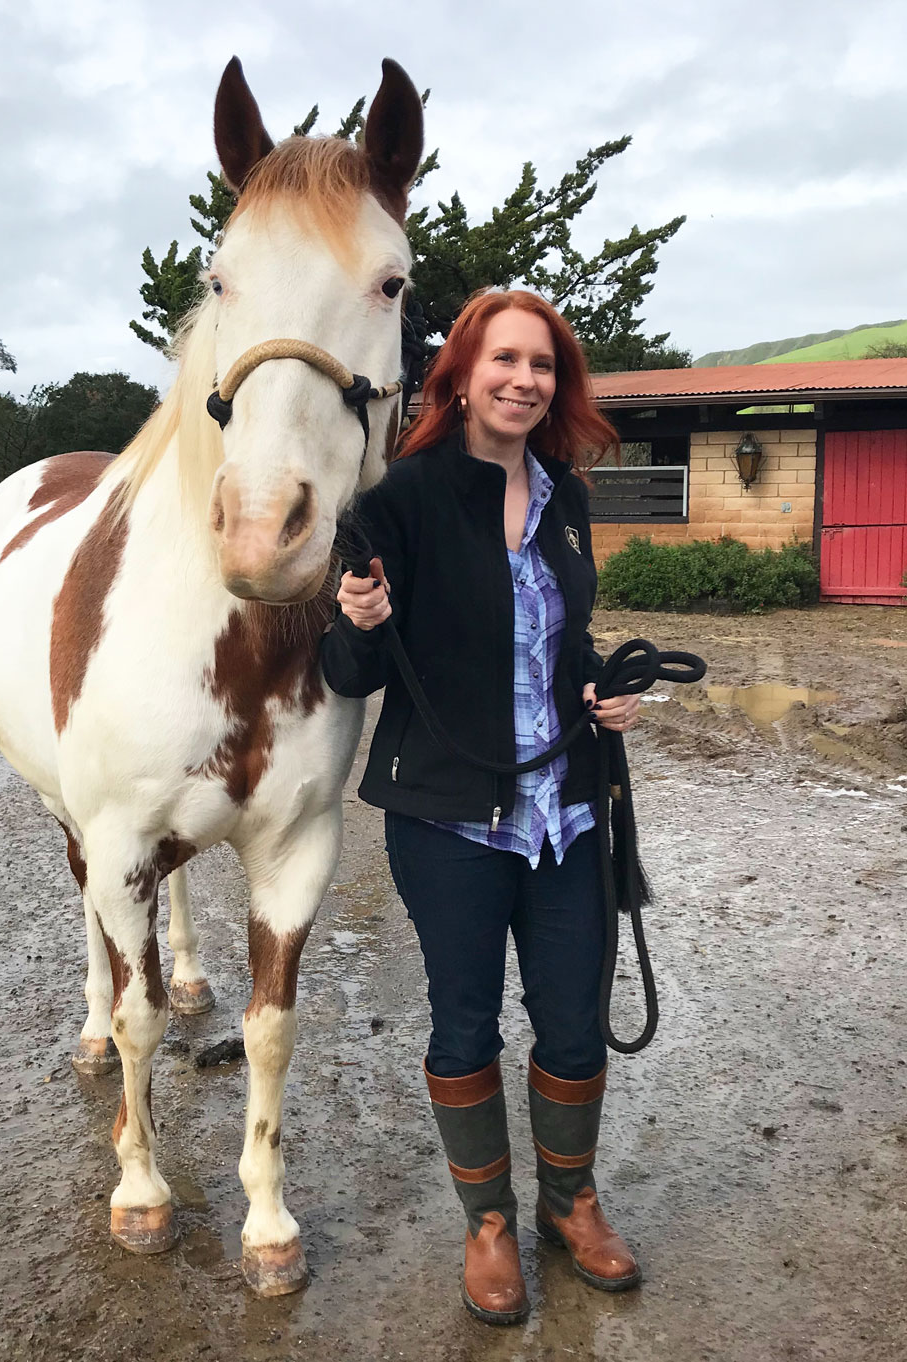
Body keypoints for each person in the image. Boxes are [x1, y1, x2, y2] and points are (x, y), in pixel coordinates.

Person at [320, 288, 642, 1326]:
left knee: (574, 1024)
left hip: (566, 813)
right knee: (463, 1027)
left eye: (542, 366)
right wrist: (359, 616)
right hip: (449, 823)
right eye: (504, 360)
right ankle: (490, 1226)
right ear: (460, 373)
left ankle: (570, 1203)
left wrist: (602, 688)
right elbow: (352, 671)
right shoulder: (398, 501)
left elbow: (562, 647)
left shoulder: (565, 495)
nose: (523, 381)